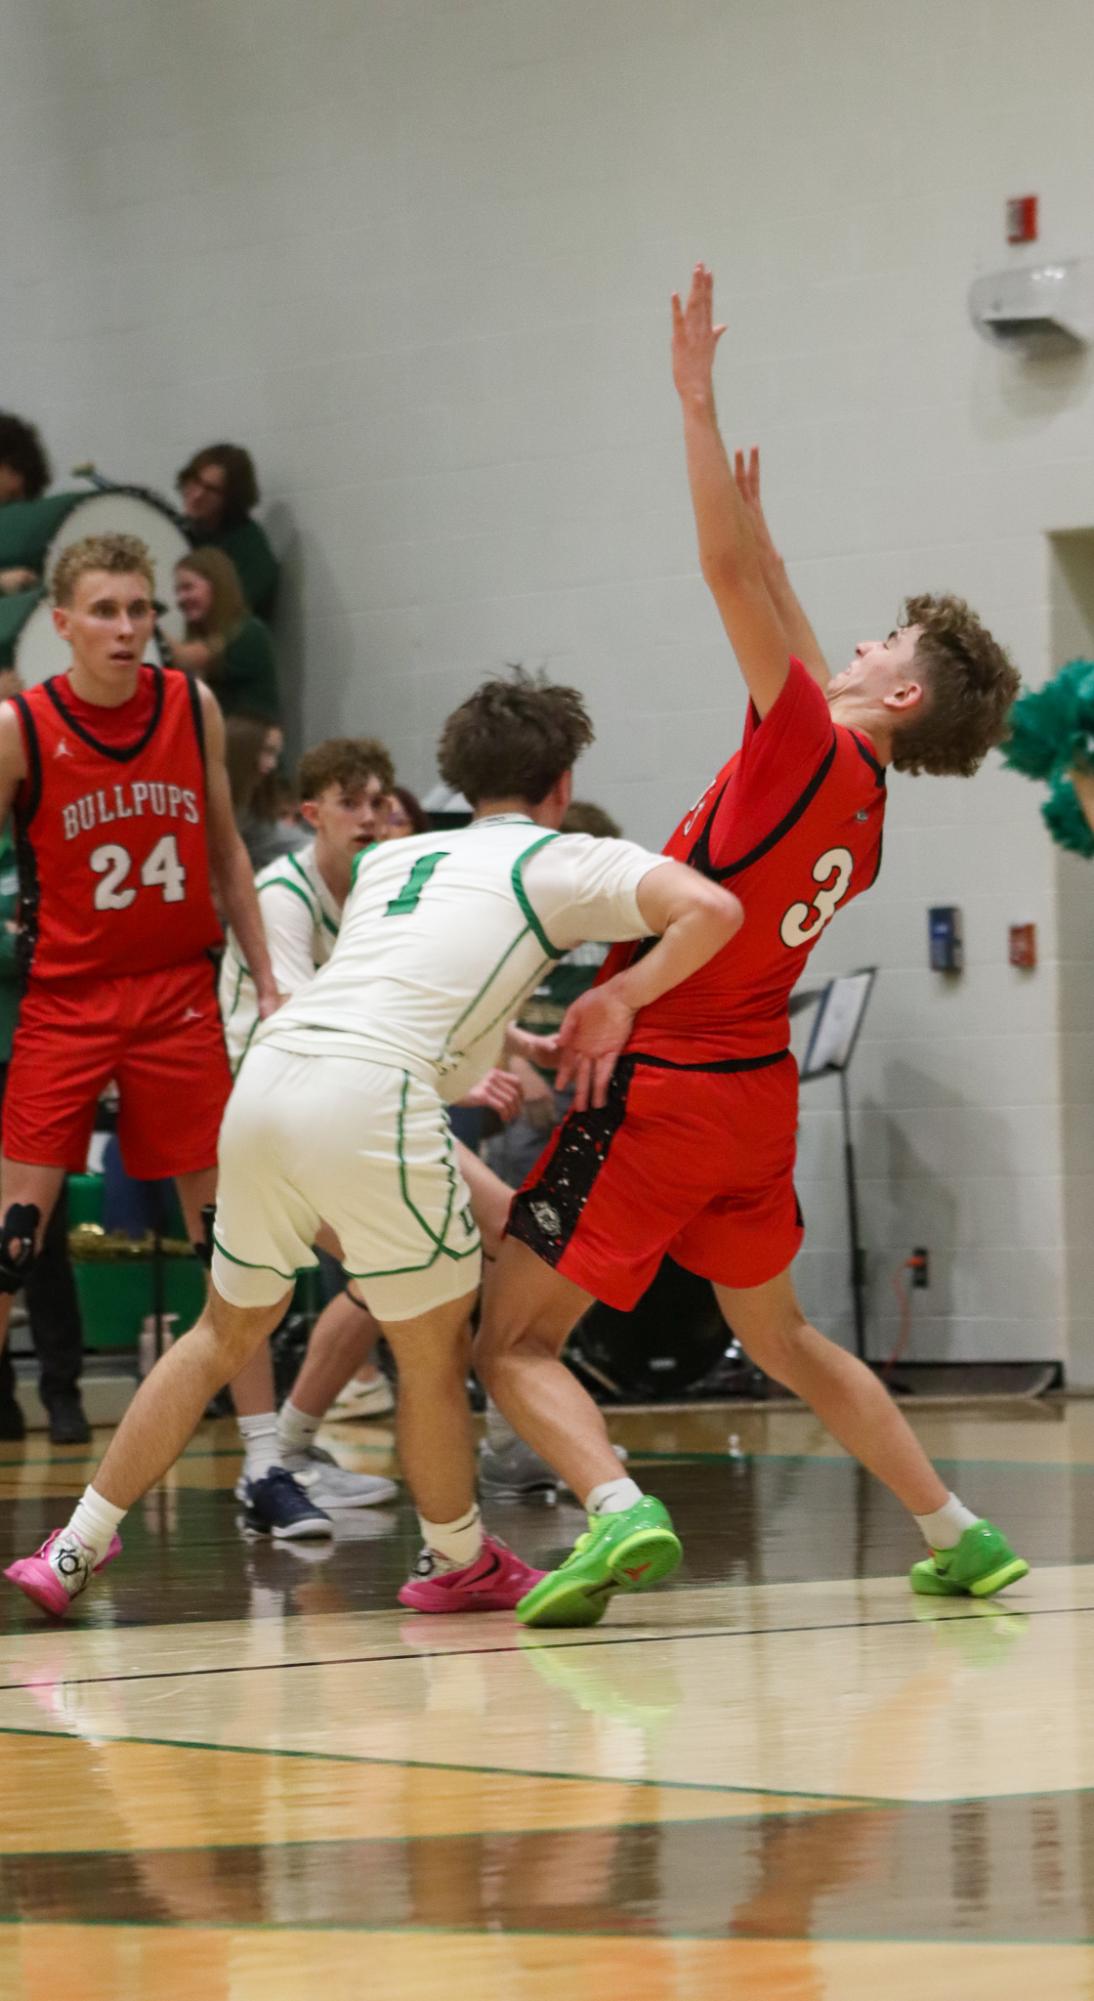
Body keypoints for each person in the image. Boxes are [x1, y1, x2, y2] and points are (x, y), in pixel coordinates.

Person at [474, 263, 1028, 1629]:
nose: (846, 636)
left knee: (514, 1339)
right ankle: (954, 1530)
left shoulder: (800, 741)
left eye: (879, 639)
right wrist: (766, 533)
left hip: (660, 1086)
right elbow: (769, 595)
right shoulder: (861, 802)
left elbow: (726, 576)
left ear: (893, 692)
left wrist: (692, 400)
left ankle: (613, 1509)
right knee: (776, 1335)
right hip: (752, 1101)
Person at [6, 670, 742, 1618]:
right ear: (561, 782)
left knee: (221, 1333)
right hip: (372, 1097)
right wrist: (616, 999)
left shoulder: (394, 860)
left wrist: (510, 1041)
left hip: (270, 1082)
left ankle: (73, 1548)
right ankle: (458, 1555)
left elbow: (402, 976)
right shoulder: (568, 857)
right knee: (436, 1345)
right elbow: (714, 912)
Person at [0, 531, 309, 1530]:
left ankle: (264, 1464)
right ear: (62, 625)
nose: (128, 629)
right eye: (106, 611)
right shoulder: (19, 727)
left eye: (141, 610)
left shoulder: (192, 705)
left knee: (231, 1241)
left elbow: (225, 848)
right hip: (65, 996)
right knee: (14, 1238)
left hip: (177, 996)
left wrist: (267, 980)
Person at [0, 774, 89, 1445]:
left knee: (39, 1233)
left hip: (35, 1059)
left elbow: (59, 940)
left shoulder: (41, 846)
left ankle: (63, 1391)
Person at [169, 549, 280, 724]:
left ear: (217, 585)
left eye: (188, 587)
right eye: (178, 591)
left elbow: (188, 658)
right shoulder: (203, 639)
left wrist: (149, 625)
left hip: (250, 746)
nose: (181, 598)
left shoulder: (249, 633)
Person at [176, 444, 279, 621]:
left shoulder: (249, 545)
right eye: (195, 482)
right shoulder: (180, 531)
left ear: (230, 500)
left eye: (211, 490)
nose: (198, 495)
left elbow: (232, 612)